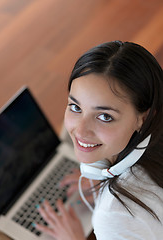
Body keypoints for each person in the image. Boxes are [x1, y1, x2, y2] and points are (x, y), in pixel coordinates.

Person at [34, 41, 163, 240]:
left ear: (143, 119)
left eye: (105, 116)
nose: (81, 131)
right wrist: (100, 178)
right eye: (76, 107)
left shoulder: (114, 215)